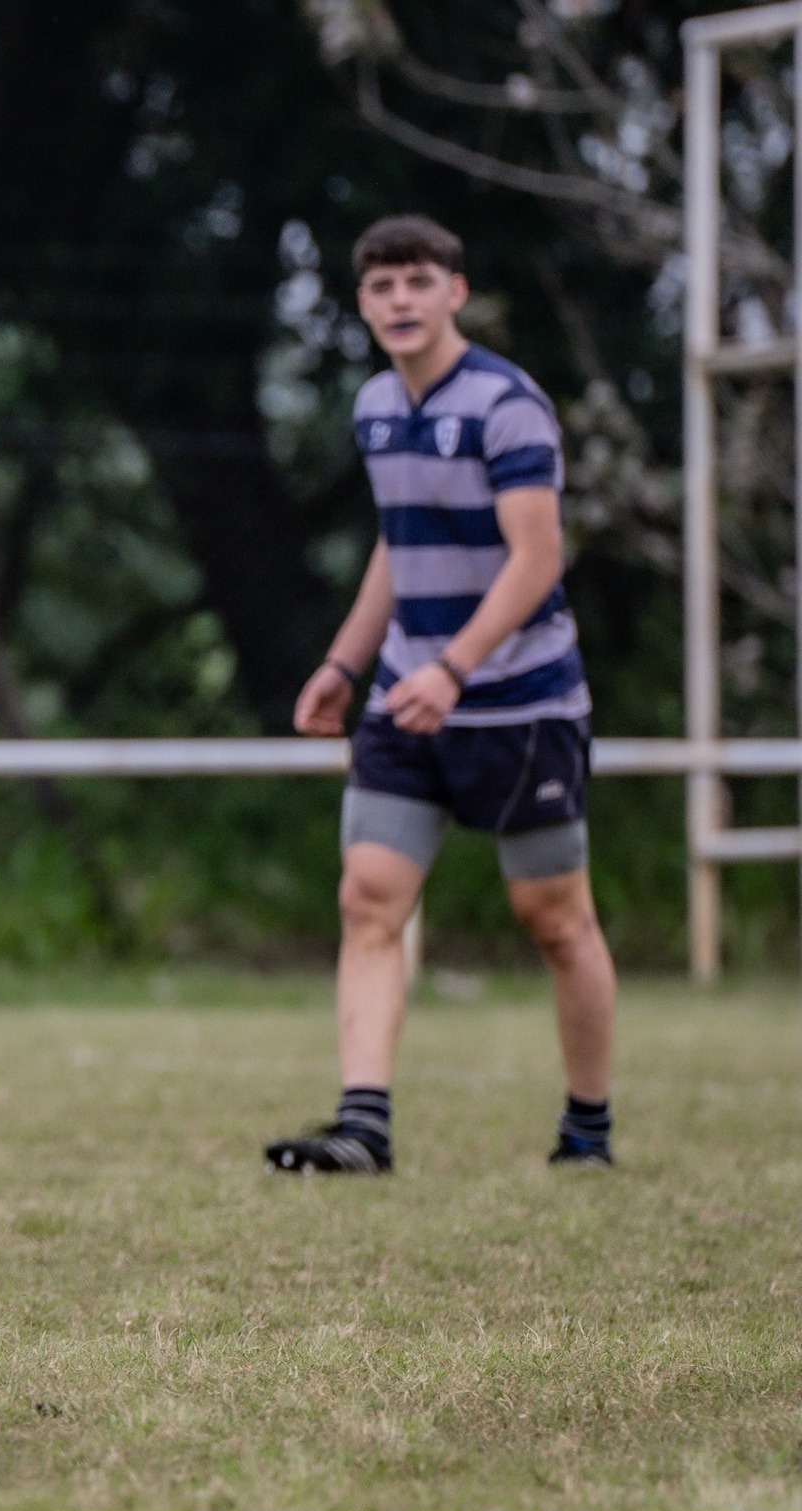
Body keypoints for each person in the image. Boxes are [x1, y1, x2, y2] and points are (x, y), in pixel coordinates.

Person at [267, 215, 618, 1175]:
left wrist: (454, 667)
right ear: (362, 303)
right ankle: (363, 1128)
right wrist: (345, 664)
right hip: (405, 699)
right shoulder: (377, 405)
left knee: (555, 917)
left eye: (418, 281)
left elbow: (538, 558)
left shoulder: (507, 405)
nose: (401, 301)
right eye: (381, 287)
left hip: (520, 704)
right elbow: (399, 542)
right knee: (369, 899)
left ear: (455, 291)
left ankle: (587, 1129)